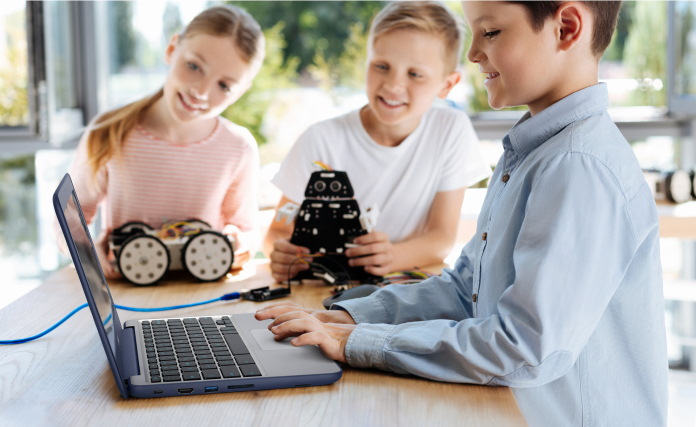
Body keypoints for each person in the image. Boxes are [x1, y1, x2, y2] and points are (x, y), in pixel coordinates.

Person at [256, 2, 669, 426]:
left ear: (565, 28)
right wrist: (349, 317)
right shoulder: (532, 153)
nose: (473, 53)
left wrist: (361, 341)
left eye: (490, 33)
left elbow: (523, 349)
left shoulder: (578, 166)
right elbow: (465, 289)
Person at [263, 1, 491, 283]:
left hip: (409, 289)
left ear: (447, 84)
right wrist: (280, 252)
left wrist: (393, 256)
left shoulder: (451, 130)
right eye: (381, 66)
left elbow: (441, 238)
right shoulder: (320, 139)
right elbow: (278, 231)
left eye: (415, 74)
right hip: (322, 288)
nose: (393, 85)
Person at [68, 5, 265, 278]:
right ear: (172, 49)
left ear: (241, 91)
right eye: (194, 66)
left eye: (224, 86)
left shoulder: (238, 146)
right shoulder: (110, 131)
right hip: (127, 293)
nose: (201, 92)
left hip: (203, 295)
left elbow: (246, 229)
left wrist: (238, 242)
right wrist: (85, 253)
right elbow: (70, 216)